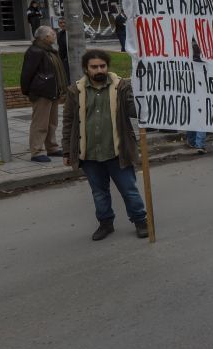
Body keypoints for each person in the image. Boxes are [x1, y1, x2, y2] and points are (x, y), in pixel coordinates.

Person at [61, 50, 149, 241]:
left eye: (102, 66)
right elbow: (68, 122)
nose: (99, 70)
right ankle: (105, 223)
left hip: (118, 152)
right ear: (86, 68)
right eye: (94, 67)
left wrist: (145, 96)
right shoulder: (75, 91)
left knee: (129, 190)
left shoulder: (121, 87)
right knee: (99, 193)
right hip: (90, 154)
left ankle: (140, 221)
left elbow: (135, 111)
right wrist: (67, 150)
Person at [20, 25, 68, 162]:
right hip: (42, 92)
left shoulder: (50, 51)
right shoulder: (35, 51)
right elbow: (27, 73)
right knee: (40, 123)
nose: (55, 36)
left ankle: (52, 147)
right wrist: (27, 91)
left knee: (52, 122)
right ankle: (37, 151)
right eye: (52, 34)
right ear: (45, 37)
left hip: (52, 90)